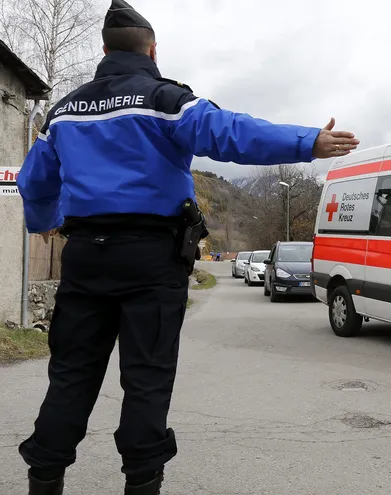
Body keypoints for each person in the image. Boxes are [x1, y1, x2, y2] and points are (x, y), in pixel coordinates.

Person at [14, 1, 359, 494]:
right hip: (152, 259)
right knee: (147, 378)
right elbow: (232, 132)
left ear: (104, 51)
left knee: (70, 376)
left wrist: (46, 221)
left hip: (86, 256)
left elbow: (35, 182)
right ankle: (142, 482)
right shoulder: (166, 99)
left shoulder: (64, 112)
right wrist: (308, 142)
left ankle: (44, 479)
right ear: (153, 51)